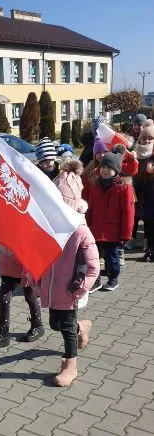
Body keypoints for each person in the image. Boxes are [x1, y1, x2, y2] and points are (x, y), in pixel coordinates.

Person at [38, 159, 100, 386]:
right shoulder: (51, 229)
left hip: (71, 290)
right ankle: (82, 326)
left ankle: (70, 365)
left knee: (65, 328)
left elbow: (93, 266)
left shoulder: (81, 232)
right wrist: (36, 277)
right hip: (53, 288)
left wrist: (79, 289)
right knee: (55, 324)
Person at [0, 238, 44, 349]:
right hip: (7, 269)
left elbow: (29, 252)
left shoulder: (24, 229)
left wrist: (26, 275)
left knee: (31, 297)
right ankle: (3, 333)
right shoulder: (4, 226)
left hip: (25, 271)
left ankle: (38, 325)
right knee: (4, 299)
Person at [86, 148, 135, 292]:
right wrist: (86, 225)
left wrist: (126, 234)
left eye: (110, 167)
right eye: (103, 167)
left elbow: (128, 213)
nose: (105, 170)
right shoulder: (96, 186)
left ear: (117, 170)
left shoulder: (124, 188)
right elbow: (91, 208)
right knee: (93, 257)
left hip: (113, 232)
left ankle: (113, 279)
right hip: (95, 230)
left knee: (112, 258)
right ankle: (96, 281)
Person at [133, 119, 154, 261]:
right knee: (148, 224)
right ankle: (150, 249)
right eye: (143, 138)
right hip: (143, 195)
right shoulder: (136, 152)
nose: (146, 141)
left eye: (150, 138)